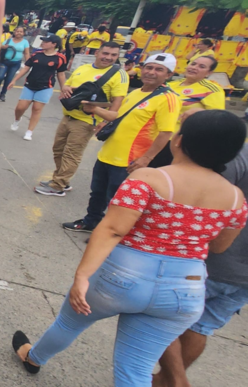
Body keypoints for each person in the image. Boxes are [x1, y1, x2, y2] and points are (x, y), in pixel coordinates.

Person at [14, 110, 247, 386]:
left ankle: (35, 358)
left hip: (124, 275)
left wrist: (82, 276)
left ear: (178, 141)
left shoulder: (150, 178)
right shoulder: (235, 198)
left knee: (68, 324)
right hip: (185, 288)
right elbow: (220, 246)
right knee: (135, 369)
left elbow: (112, 228)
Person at [155, 139, 248, 387]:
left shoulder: (239, 156)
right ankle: (165, 381)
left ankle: (177, 380)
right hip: (243, 277)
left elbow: (208, 197)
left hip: (213, 261)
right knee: (203, 326)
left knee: (161, 317)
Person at [63, 53, 181, 233]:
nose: (151, 72)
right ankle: (91, 222)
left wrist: (147, 158)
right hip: (108, 153)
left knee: (117, 199)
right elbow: (119, 116)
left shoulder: (168, 98)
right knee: (97, 193)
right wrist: (104, 120)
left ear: (169, 74)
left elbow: (166, 133)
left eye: (159, 69)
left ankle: (111, 232)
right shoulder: (136, 92)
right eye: (148, 67)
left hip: (130, 159)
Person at [37, 42, 129, 197]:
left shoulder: (119, 75)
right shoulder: (83, 68)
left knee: (71, 154)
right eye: (105, 53)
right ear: (97, 53)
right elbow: (70, 85)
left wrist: (98, 114)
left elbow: (116, 106)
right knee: (58, 149)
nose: (108, 58)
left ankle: (58, 185)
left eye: (113, 55)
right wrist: (66, 88)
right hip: (68, 116)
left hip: (86, 121)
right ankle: (62, 180)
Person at [153, 55, 226, 168]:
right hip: (152, 135)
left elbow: (218, 117)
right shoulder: (170, 85)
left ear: (209, 72)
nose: (194, 67)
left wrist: (199, 111)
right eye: (193, 64)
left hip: (176, 140)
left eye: (201, 66)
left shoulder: (212, 90)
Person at [9, 35, 68, 141]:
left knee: (36, 109)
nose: (43, 43)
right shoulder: (36, 54)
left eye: (46, 41)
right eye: (43, 41)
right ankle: (17, 120)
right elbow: (26, 68)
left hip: (46, 87)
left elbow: (61, 74)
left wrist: (63, 88)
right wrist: (14, 80)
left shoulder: (60, 58)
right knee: (20, 107)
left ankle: (29, 132)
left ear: (54, 44)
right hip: (30, 85)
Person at [0, 26, 30, 101]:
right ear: (14, 32)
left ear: (23, 33)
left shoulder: (25, 42)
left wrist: (28, 63)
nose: (19, 33)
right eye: (17, 31)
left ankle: (3, 94)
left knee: (9, 79)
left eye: (21, 32)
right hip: (4, 62)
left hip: (15, 63)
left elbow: (26, 53)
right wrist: (3, 47)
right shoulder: (9, 40)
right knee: (0, 77)